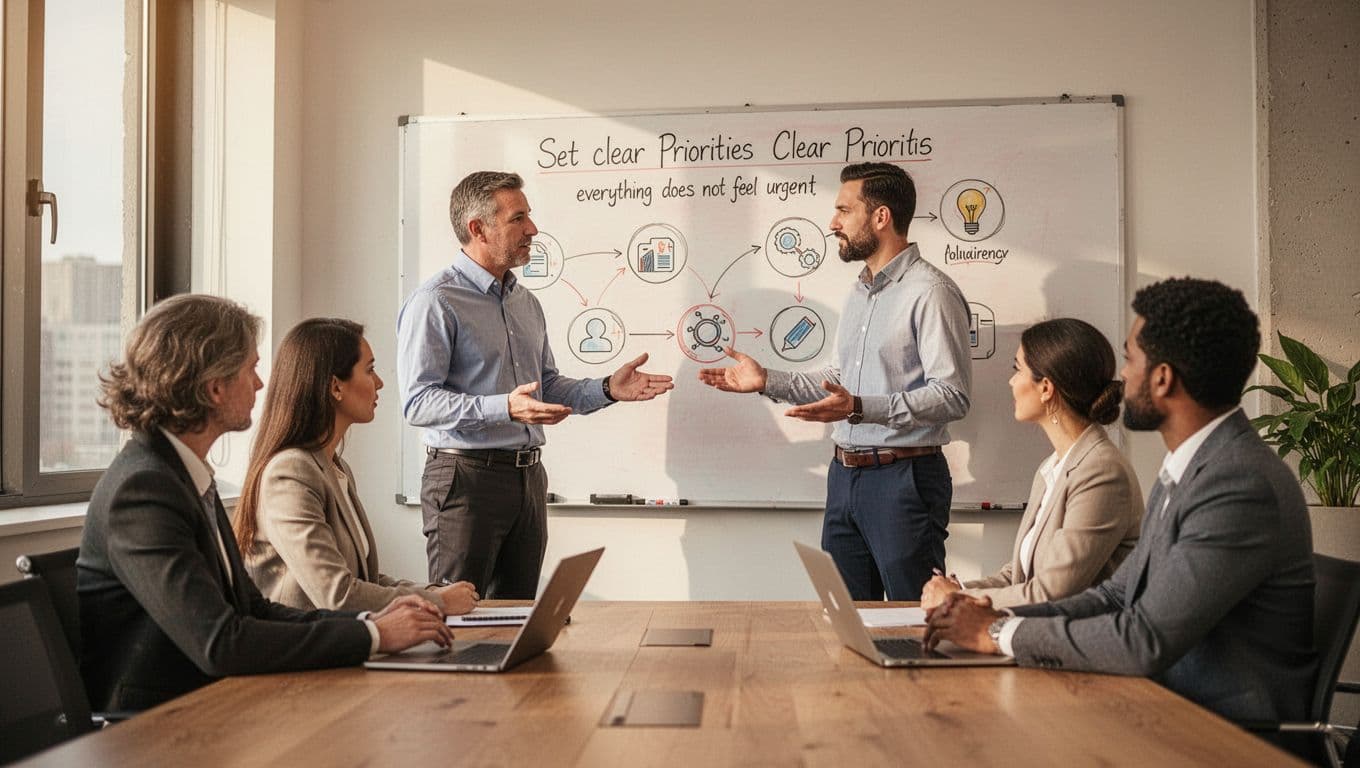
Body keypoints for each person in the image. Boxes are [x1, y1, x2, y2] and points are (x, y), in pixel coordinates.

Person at [924, 278, 1316, 725]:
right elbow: (1115, 593)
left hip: (1222, 732)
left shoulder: (1239, 486)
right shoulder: (1193, 468)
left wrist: (998, 632)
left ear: (1163, 379)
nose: (1122, 375)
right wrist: (990, 617)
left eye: (1131, 359)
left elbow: (1144, 638)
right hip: (1165, 708)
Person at [77, 295, 452, 712]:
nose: (260, 384)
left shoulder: (182, 474)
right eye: (251, 369)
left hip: (213, 702)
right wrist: (375, 636)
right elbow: (221, 641)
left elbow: (252, 609)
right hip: (160, 726)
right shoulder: (144, 490)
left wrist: (371, 624)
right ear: (214, 386)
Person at [699, 162, 972, 601]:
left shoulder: (931, 292)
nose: (833, 223)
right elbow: (839, 381)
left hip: (904, 478)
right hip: (844, 477)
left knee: (916, 616)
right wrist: (767, 379)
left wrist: (860, 407)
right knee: (847, 617)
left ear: (880, 217)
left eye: (844, 210)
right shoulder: (861, 291)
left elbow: (952, 396)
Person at [397, 171, 674, 598]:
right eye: (518, 218)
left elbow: (544, 387)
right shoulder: (436, 300)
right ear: (478, 229)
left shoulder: (525, 302)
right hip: (465, 478)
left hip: (527, 480)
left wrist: (606, 390)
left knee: (518, 617)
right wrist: (504, 407)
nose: (533, 229)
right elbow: (419, 403)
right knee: (459, 616)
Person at [234, 318, 479, 615]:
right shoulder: (290, 473)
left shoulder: (335, 467)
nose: (380, 383)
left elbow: (365, 580)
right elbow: (337, 594)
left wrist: (433, 592)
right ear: (336, 386)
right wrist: (438, 602)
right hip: (309, 652)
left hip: (343, 639)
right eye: (370, 369)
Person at [920, 318, 1142, 610]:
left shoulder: (1101, 472)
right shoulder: (1053, 466)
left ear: (1046, 388)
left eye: (1017, 369)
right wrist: (958, 589)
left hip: (1076, 646)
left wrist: (956, 599)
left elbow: (1051, 592)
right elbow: (1020, 575)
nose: (1011, 381)